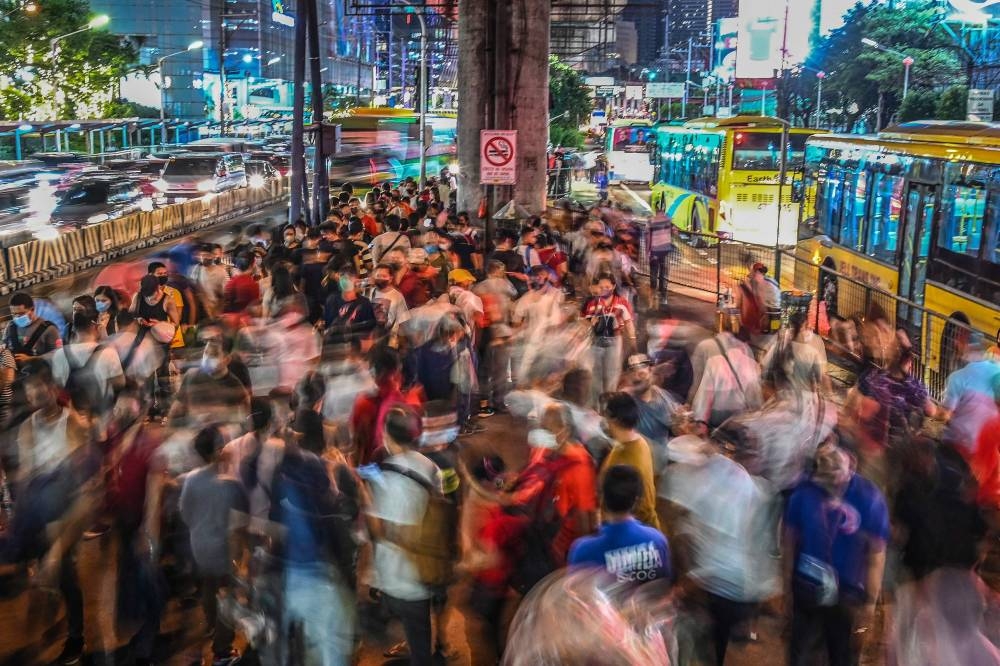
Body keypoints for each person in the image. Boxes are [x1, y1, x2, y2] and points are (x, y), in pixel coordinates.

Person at [784, 443, 889, 666]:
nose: (832, 487)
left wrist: (869, 603)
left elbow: (876, 554)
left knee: (841, 652)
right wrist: (787, 583)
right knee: (800, 650)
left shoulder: (870, 497)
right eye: (826, 481)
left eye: (836, 479)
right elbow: (789, 540)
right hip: (807, 584)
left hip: (846, 592)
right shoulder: (804, 491)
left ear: (852, 462)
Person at [364, 406, 442, 666]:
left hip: (398, 575)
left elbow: (379, 530)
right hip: (426, 569)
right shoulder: (430, 467)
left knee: (416, 640)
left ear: (386, 435)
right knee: (419, 631)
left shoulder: (384, 476)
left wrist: (363, 496)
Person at [178, 425, 249, 665]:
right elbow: (239, 526)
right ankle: (222, 651)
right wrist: (238, 559)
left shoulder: (191, 480)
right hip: (223, 551)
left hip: (199, 547)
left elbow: (185, 513)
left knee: (208, 588)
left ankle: (210, 625)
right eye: (225, 444)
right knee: (228, 596)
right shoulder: (230, 484)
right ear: (218, 451)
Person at [569, 464, 670, 585]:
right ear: (636, 501)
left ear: (602, 498)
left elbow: (575, 596)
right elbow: (664, 586)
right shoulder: (657, 541)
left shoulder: (583, 550)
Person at [599, 392, 660, 530]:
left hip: (632, 531)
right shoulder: (637, 441)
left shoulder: (627, 459)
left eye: (605, 414)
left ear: (613, 419)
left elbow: (641, 507)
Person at [50, 311, 125, 417]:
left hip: (71, 418)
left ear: (74, 329)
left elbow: (57, 386)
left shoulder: (59, 354)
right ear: (94, 328)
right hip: (100, 416)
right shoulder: (108, 352)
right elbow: (119, 383)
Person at [942, 333, 1000, 456]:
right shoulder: (996, 370)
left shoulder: (957, 378)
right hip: (987, 445)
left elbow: (946, 415)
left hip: (961, 446)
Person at [621, 353, 679, 476]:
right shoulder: (624, 401)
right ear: (626, 375)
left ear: (650, 370)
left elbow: (676, 427)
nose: (638, 374)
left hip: (661, 470)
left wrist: (681, 422)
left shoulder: (663, 396)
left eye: (642, 369)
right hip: (637, 469)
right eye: (632, 370)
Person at [581, 274, 637, 398]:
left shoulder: (621, 302)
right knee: (596, 374)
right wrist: (591, 322)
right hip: (596, 341)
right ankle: (598, 403)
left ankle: (609, 401)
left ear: (613, 286)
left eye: (607, 286)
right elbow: (586, 322)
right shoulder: (593, 303)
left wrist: (633, 340)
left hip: (614, 341)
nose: (603, 289)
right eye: (601, 287)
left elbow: (629, 322)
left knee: (612, 373)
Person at [4, 291, 61, 368]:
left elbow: (59, 355)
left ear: (32, 309)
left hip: (40, 375)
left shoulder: (49, 329)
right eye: (14, 314)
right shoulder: (11, 326)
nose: (17, 317)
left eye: (21, 314)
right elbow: (4, 346)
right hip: (16, 374)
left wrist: (32, 359)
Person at [370, 262, 410, 343]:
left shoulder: (397, 296)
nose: (380, 278)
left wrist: (402, 342)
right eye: (378, 276)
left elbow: (402, 320)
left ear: (391, 278)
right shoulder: (369, 292)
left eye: (384, 276)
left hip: (390, 339)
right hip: (372, 339)